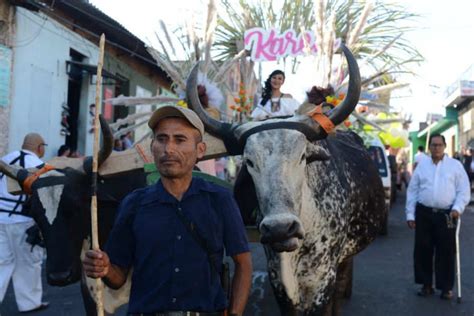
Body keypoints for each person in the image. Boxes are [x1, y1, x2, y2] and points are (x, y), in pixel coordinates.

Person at [83, 105, 252, 315]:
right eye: (161, 139)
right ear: (152, 146)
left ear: (200, 150)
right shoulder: (133, 204)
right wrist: (105, 268)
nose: (168, 149)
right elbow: (118, 279)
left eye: (180, 140)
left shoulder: (219, 199)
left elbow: (243, 265)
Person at [406, 134, 470, 300]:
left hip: (447, 215)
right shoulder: (422, 166)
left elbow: (463, 190)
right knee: (422, 250)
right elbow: (412, 190)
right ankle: (426, 285)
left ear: (445, 146)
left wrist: (457, 208)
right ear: (429, 147)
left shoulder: (455, 166)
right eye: (433, 145)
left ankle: (446, 288)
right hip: (424, 213)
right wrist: (410, 214)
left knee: (446, 252)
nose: (436, 148)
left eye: (439, 145)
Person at [0, 133, 49, 313]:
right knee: (28, 263)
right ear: (39, 147)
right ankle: (29, 303)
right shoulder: (38, 165)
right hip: (23, 221)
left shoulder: (5, 159)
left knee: (2, 262)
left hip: (1, 219)